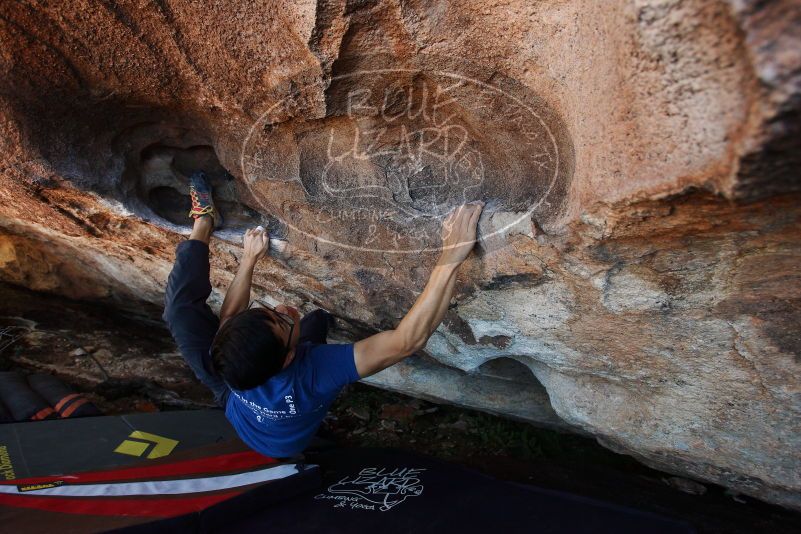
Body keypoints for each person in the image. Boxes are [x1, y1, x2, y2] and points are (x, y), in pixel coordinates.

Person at [162, 171, 483, 459]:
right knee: (315, 322)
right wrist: (451, 257)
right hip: (282, 443)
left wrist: (248, 260)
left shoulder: (229, 359)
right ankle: (316, 325)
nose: (286, 309)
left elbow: (230, 315)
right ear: (290, 358)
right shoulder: (314, 374)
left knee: (179, 312)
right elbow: (405, 342)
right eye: (284, 322)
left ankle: (203, 222)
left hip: (234, 398)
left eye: (269, 311)